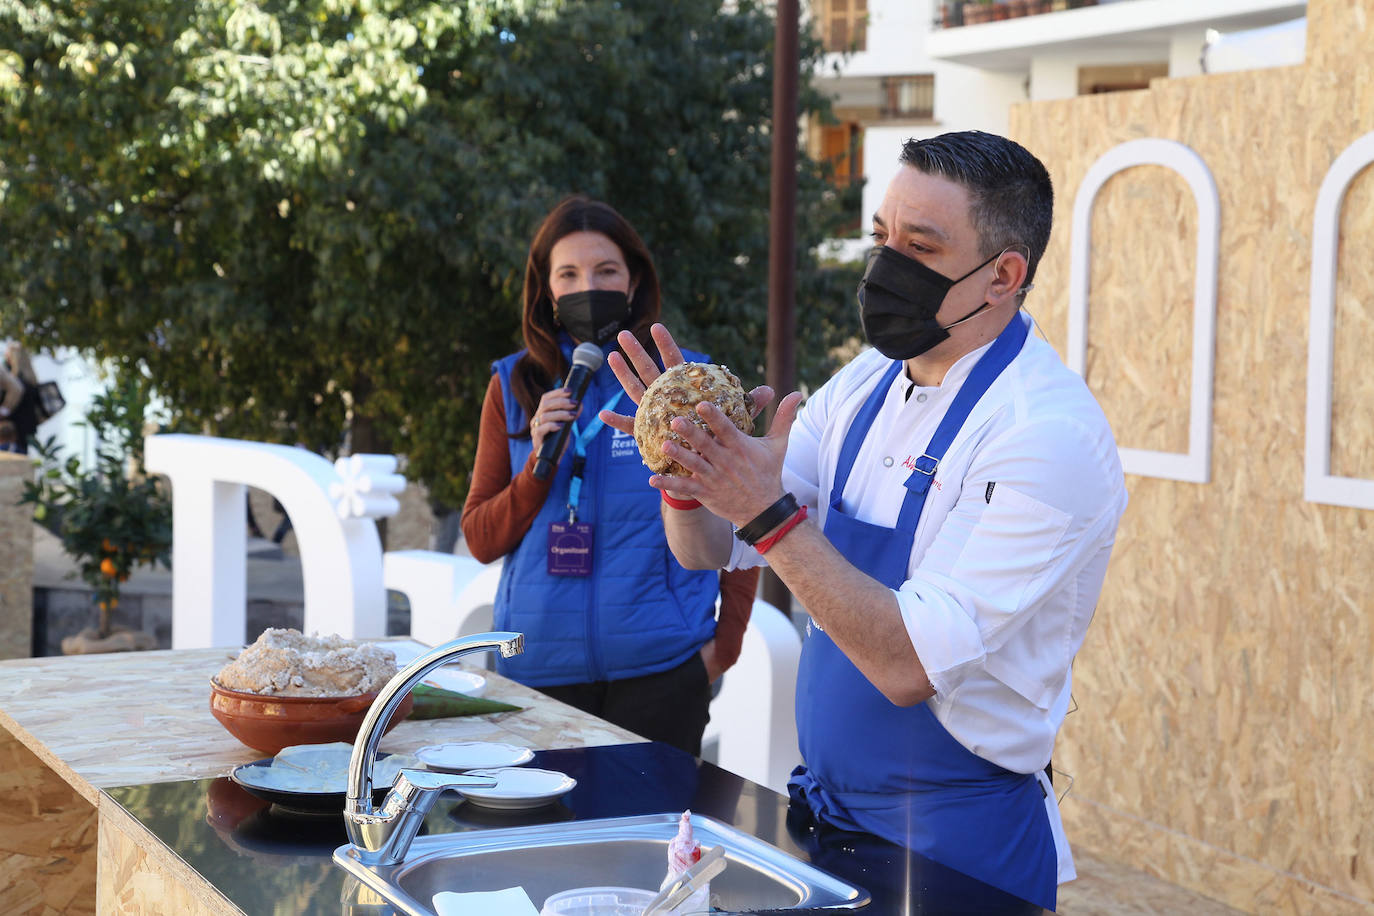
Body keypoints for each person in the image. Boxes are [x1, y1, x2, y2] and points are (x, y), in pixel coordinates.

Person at [602, 131, 1127, 911]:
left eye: (920, 246)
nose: (886, 268)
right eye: (882, 236)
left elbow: (905, 665)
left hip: (958, 855)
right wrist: (687, 476)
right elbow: (712, 550)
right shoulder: (865, 384)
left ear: (1003, 276)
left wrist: (764, 508)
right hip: (829, 825)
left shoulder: (1046, 436)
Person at [460, 196, 759, 757]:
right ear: (547, 291)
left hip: (662, 671)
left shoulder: (685, 383)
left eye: (605, 271)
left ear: (633, 281)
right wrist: (535, 466)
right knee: (540, 844)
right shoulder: (512, 385)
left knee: (653, 844)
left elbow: (745, 512)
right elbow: (480, 538)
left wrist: (725, 647)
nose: (586, 286)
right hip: (538, 674)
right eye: (568, 274)